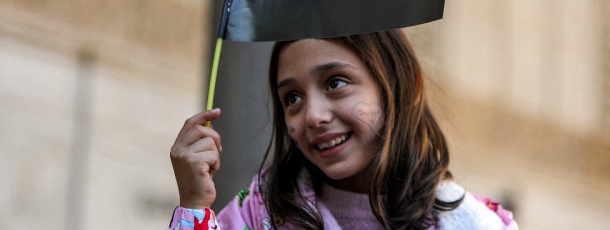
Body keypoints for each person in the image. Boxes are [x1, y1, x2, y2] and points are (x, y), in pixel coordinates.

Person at [168, 30, 518, 230]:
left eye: (335, 82)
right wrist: (194, 206)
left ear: (404, 86)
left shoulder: (476, 223)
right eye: (292, 97)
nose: (313, 115)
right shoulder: (260, 214)